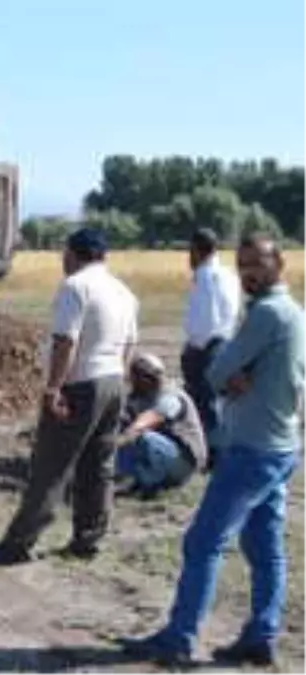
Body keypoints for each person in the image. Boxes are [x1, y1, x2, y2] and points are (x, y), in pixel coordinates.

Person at [122, 235, 306, 667]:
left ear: (279, 263)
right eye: (243, 265)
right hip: (281, 446)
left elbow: (217, 368)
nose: (248, 273)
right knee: (265, 547)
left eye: (257, 264)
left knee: (203, 542)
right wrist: (242, 375)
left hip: (252, 449)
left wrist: (235, 374)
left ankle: (178, 639)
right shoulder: (296, 313)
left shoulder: (266, 314)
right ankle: (261, 636)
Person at [0, 227, 139, 565]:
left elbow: (65, 342)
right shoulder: (123, 292)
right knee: (98, 466)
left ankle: (18, 543)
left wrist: (54, 388)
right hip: (113, 380)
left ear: (73, 253)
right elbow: (130, 344)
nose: (62, 259)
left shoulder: (75, 287)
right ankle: (88, 539)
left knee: (51, 466)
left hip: (81, 383)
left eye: (64, 253)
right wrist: (119, 380)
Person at [180, 228, 241, 471]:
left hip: (207, 346)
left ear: (196, 250)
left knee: (206, 403)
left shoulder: (205, 276)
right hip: (225, 341)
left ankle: (214, 455)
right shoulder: (228, 274)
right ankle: (219, 450)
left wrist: (194, 346)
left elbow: (206, 319)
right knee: (217, 401)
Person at [114, 353, 208, 499]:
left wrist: (123, 438)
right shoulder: (139, 397)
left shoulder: (171, 395)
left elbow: (153, 417)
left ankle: (151, 484)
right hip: (162, 454)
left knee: (143, 438)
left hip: (184, 462)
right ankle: (137, 480)